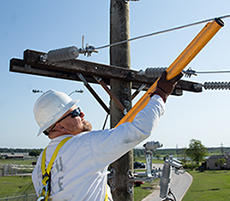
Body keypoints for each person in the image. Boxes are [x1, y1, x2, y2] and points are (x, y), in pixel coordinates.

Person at [31, 71, 182, 200]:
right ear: (60, 126)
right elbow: (139, 130)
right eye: (75, 113)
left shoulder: (41, 164)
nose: (82, 114)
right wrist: (160, 95)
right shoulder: (85, 145)